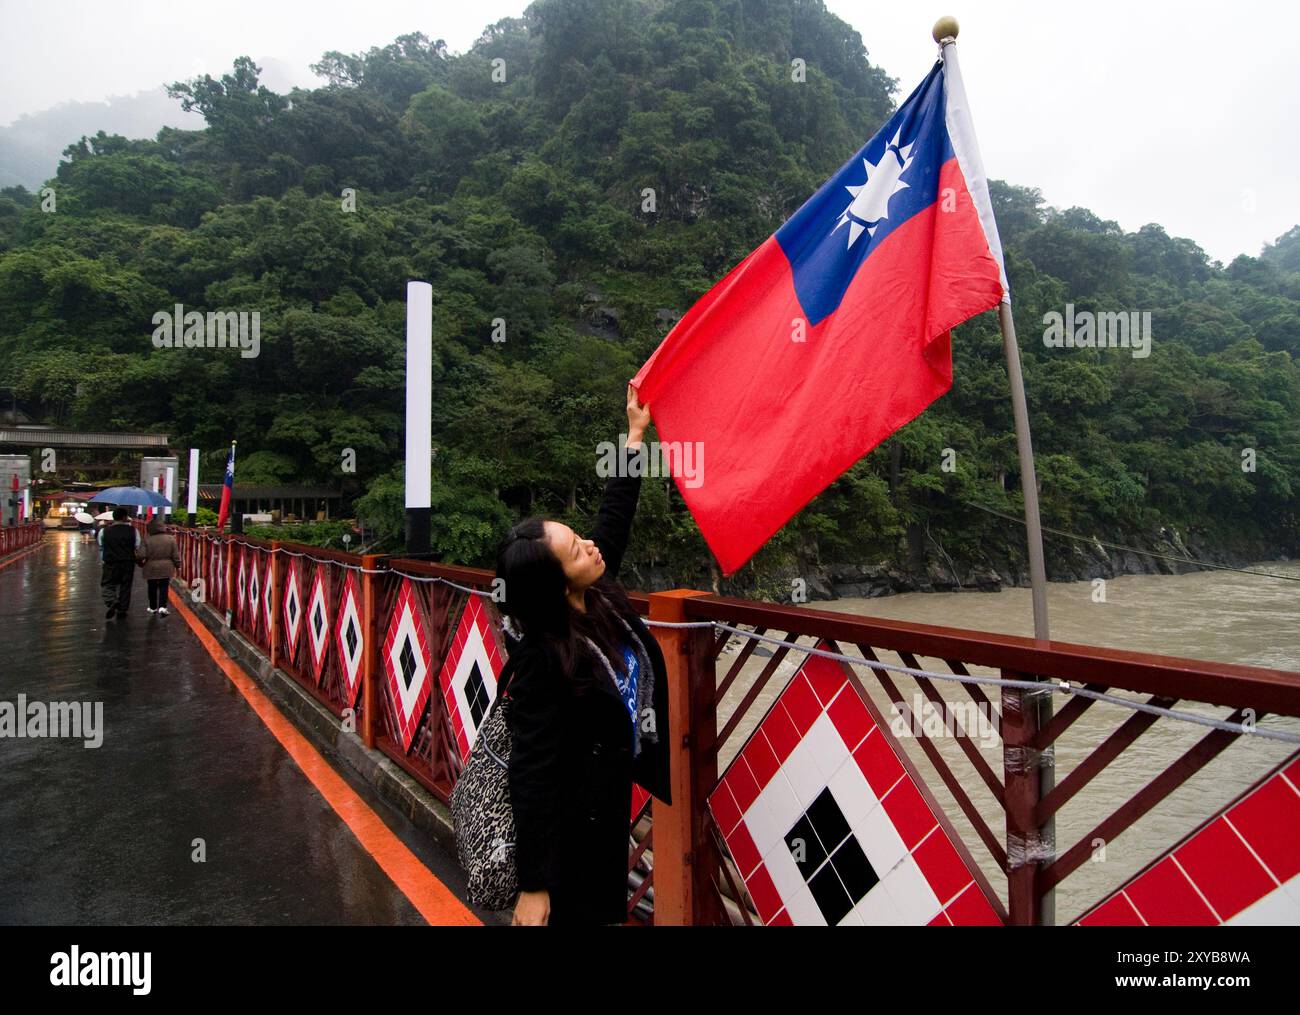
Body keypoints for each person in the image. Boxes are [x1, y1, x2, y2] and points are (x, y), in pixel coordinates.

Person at [494, 385, 672, 927]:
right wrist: (533, 885)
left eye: (577, 538)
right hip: (569, 836)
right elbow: (531, 774)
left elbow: (613, 518)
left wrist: (635, 434)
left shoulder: (597, 598)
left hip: (608, 810)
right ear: (553, 584)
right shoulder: (541, 659)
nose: (589, 546)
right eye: (576, 549)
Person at [98, 507, 142, 619]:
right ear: (125, 517)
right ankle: (122, 609)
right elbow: (137, 546)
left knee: (108, 584)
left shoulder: (104, 531)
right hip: (128, 562)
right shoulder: (133, 531)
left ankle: (111, 601)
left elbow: (101, 546)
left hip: (110, 562)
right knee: (125, 586)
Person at [141, 515, 180, 616]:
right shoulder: (170, 539)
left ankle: (153, 606)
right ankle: (162, 606)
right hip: (166, 566)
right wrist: (178, 565)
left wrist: (139, 562)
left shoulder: (147, 539)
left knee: (152, 586)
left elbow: (141, 555)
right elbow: (175, 555)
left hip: (150, 566)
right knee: (164, 586)